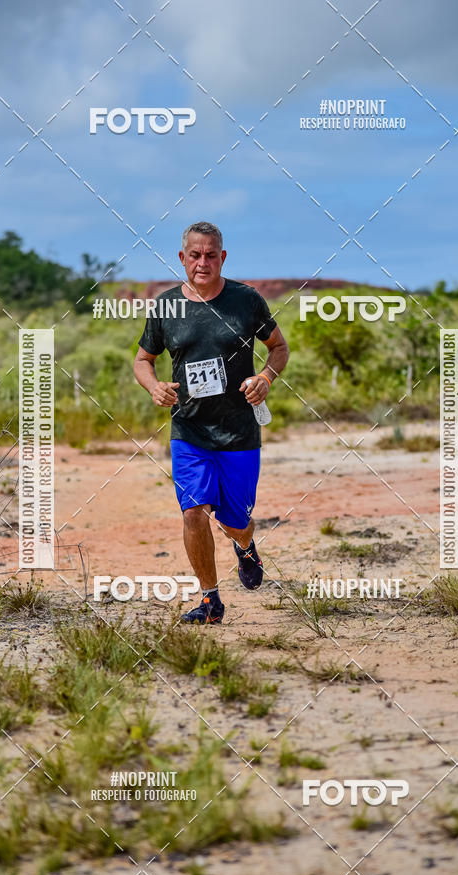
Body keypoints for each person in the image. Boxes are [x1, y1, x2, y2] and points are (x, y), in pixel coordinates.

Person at [133, 221, 289, 624]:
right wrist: (153, 387)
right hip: (190, 429)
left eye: (210, 255)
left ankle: (246, 545)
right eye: (195, 255)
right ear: (182, 258)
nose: (203, 262)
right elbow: (142, 360)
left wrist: (265, 379)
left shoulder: (246, 300)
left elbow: (278, 347)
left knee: (233, 520)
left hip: (238, 431)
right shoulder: (166, 306)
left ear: (222, 257)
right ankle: (210, 600)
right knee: (192, 512)